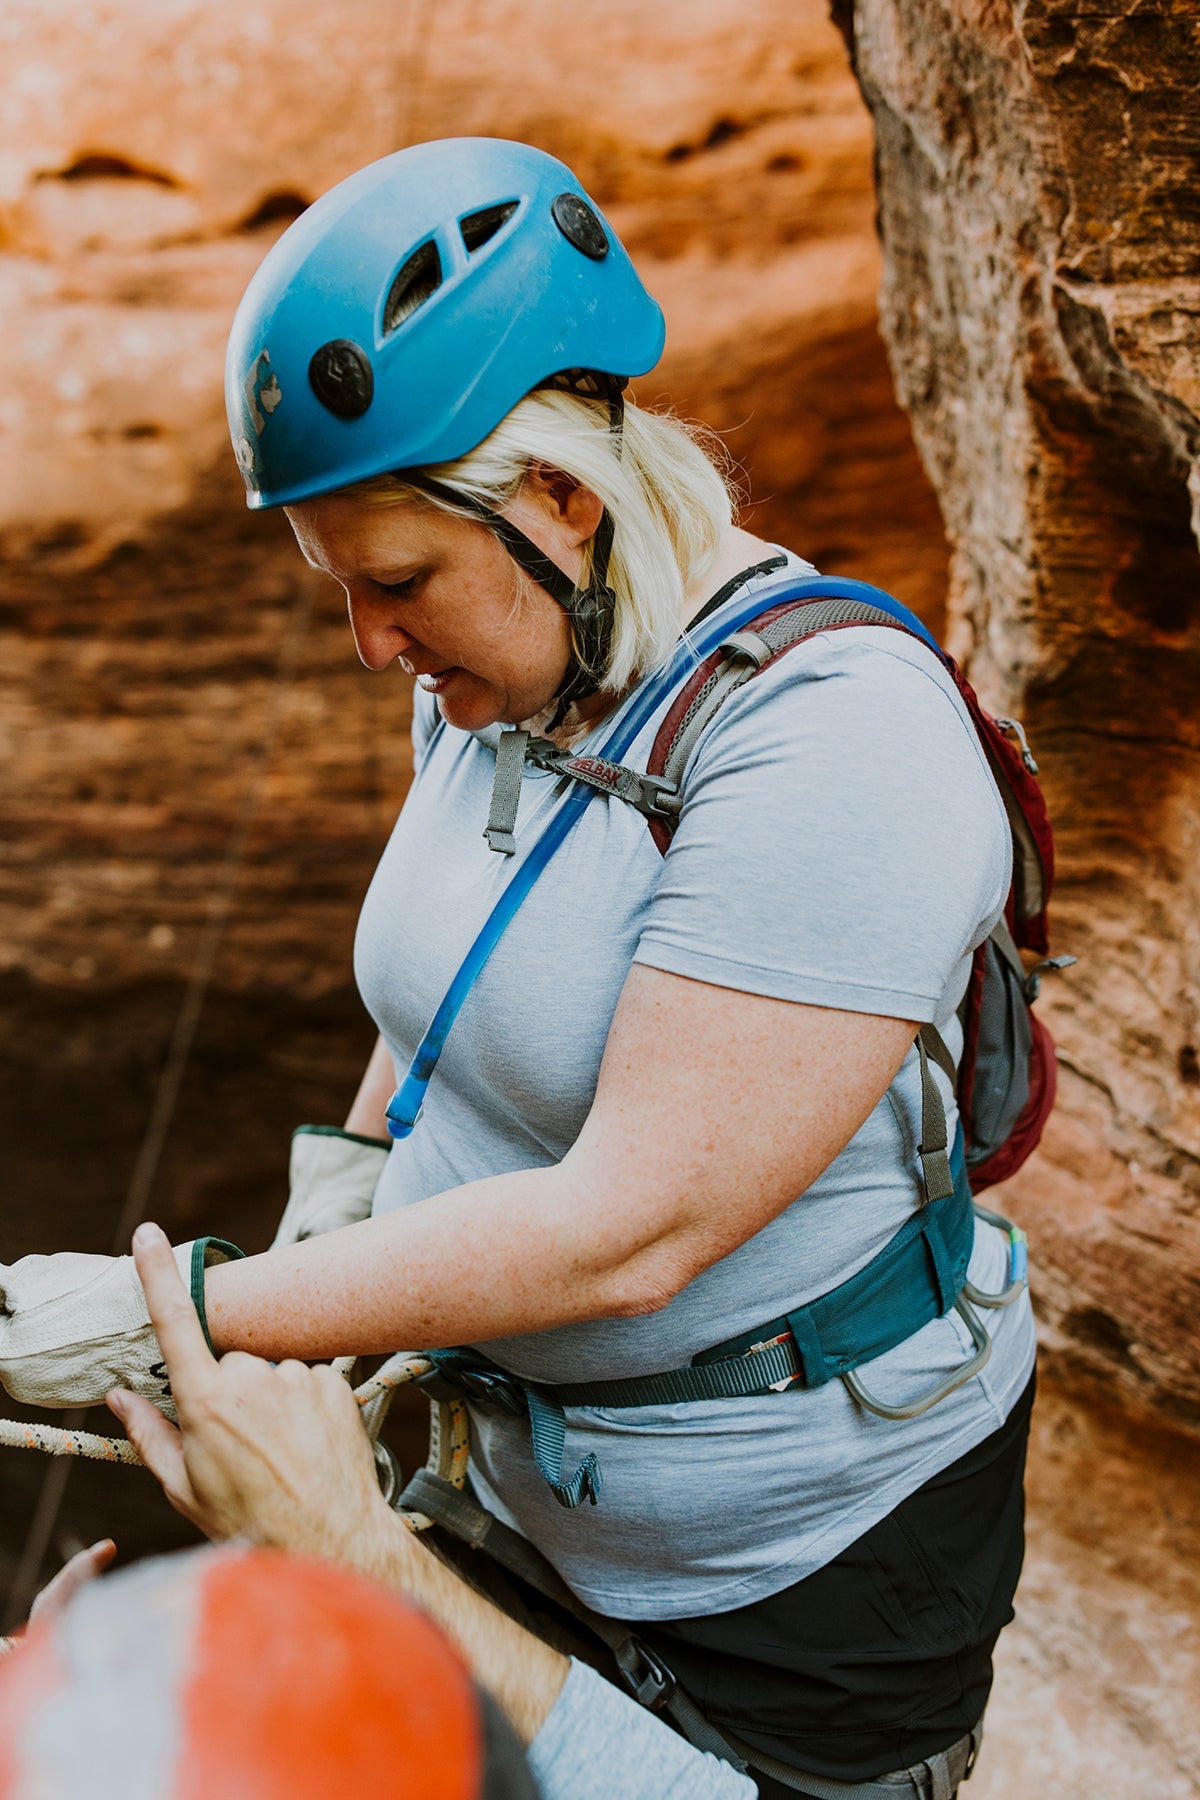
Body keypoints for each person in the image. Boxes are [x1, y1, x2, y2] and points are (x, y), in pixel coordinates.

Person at [0, 137, 1035, 1798]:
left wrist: (173, 1313)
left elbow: (634, 1225)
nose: (374, 649)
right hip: (520, 1483)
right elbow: (443, 990)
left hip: (793, 1575)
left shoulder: (838, 745)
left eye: (398, 583)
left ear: (564, 499)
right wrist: (331, 1219)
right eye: (342, 591)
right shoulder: (504, 678)